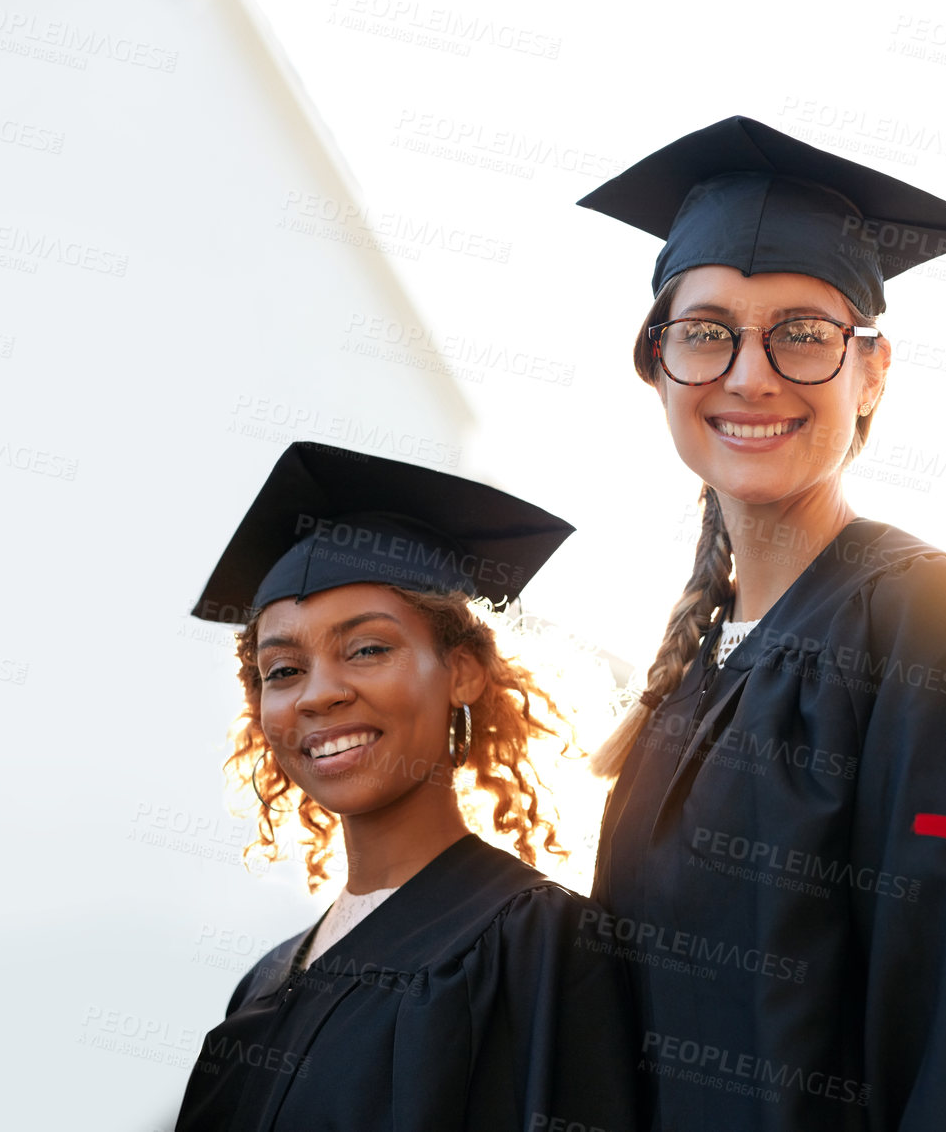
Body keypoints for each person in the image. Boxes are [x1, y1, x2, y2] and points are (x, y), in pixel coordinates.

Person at [575, 117, 946, 1130]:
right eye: (707, 332)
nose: (751, 374)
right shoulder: (688, 674)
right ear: (658, 366)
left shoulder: (931, 630)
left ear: (871, 372)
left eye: (802, 332)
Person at [175, 441, 639, 1132]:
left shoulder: (537, 939)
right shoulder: (269, 976)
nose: (319, 695)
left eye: (367, 649)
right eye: (283, 670)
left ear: (464, 671)